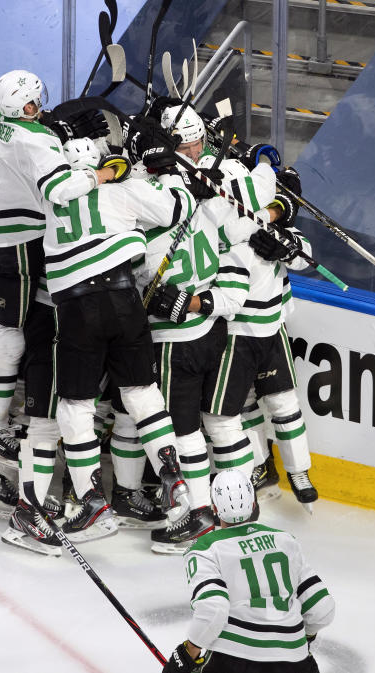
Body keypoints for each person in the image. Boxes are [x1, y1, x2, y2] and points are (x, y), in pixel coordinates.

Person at [33, 136, 204, 549]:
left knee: (75, 405)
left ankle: (92, 502)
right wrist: (169, 171)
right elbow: (179, 207)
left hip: (76, 307)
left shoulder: (51, 200)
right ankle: (176, 483)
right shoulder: (124, 190)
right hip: (125, 297)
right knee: (142, 391)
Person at [136, 107, 277, 553]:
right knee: (222, 420)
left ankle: (199, 514)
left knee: (181, 430)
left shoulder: (145, 200)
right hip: (216, 333)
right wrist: (210, 304)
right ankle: (242, 508)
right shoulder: (212, 199)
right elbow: (238, 250)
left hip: (175, 342)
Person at [0, 69, 116, 467]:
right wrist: (99, 174)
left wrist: (56, 129)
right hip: (14, 247)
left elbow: (23, 147)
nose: (40, 105)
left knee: (3, 331)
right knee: (8, 338)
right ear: (26, 106)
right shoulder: (34, 141)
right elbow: (59, 189)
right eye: (35, 101)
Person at [201, 165, 320, 513]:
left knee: (283, 404)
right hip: (235, 332)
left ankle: (299, 472)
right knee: (240, 409)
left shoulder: (274, 225)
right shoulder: (219, 224)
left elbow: (306, 257)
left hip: (271, 329)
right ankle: (252, 472)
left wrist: (287, 246)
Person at [163, 469, 334, 672]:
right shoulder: (285, 540)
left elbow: (213, 608)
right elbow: (322, 608)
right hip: (296, 660)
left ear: (215, 508)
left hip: (235, 659)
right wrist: (300, 640)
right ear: (253, 504)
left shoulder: (205, 548)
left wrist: (187, 654)